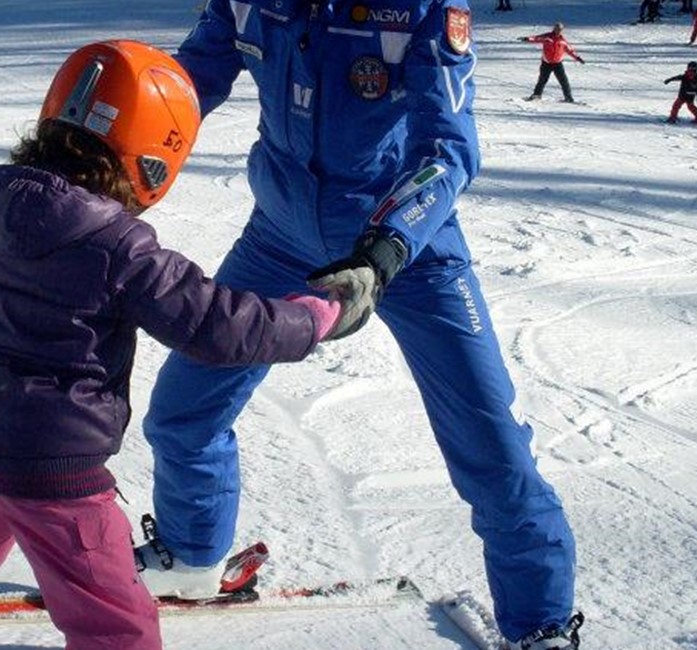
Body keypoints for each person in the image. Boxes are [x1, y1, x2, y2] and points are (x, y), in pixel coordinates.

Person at [0, 40, 345, 650]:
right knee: (113, 619)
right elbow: (216, 325)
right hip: (57, 472)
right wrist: (308, 321)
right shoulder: (118, 246)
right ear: (151, 156)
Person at [135, 2, 583, 649]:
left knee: (491, 451)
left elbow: (449, 147)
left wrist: (387, 248)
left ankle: (540, 624)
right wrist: (97, 156)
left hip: (410, 250)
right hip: (281, 239)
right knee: (184, 411)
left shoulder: (423, 9)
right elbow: (180, 90)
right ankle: (192, 556)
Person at [522, 23, 586, 102]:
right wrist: (527, 39)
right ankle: (536, 95)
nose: (558, 31)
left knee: (564, 81)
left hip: (557, 63)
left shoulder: (562, 40)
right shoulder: (547, 37)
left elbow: (570, 50)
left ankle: (568, 97)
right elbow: (536, 38)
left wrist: (578, 58)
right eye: (557, 29)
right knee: (542, 80)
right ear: (554, 29)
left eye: (560, 29)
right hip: (546, 63)